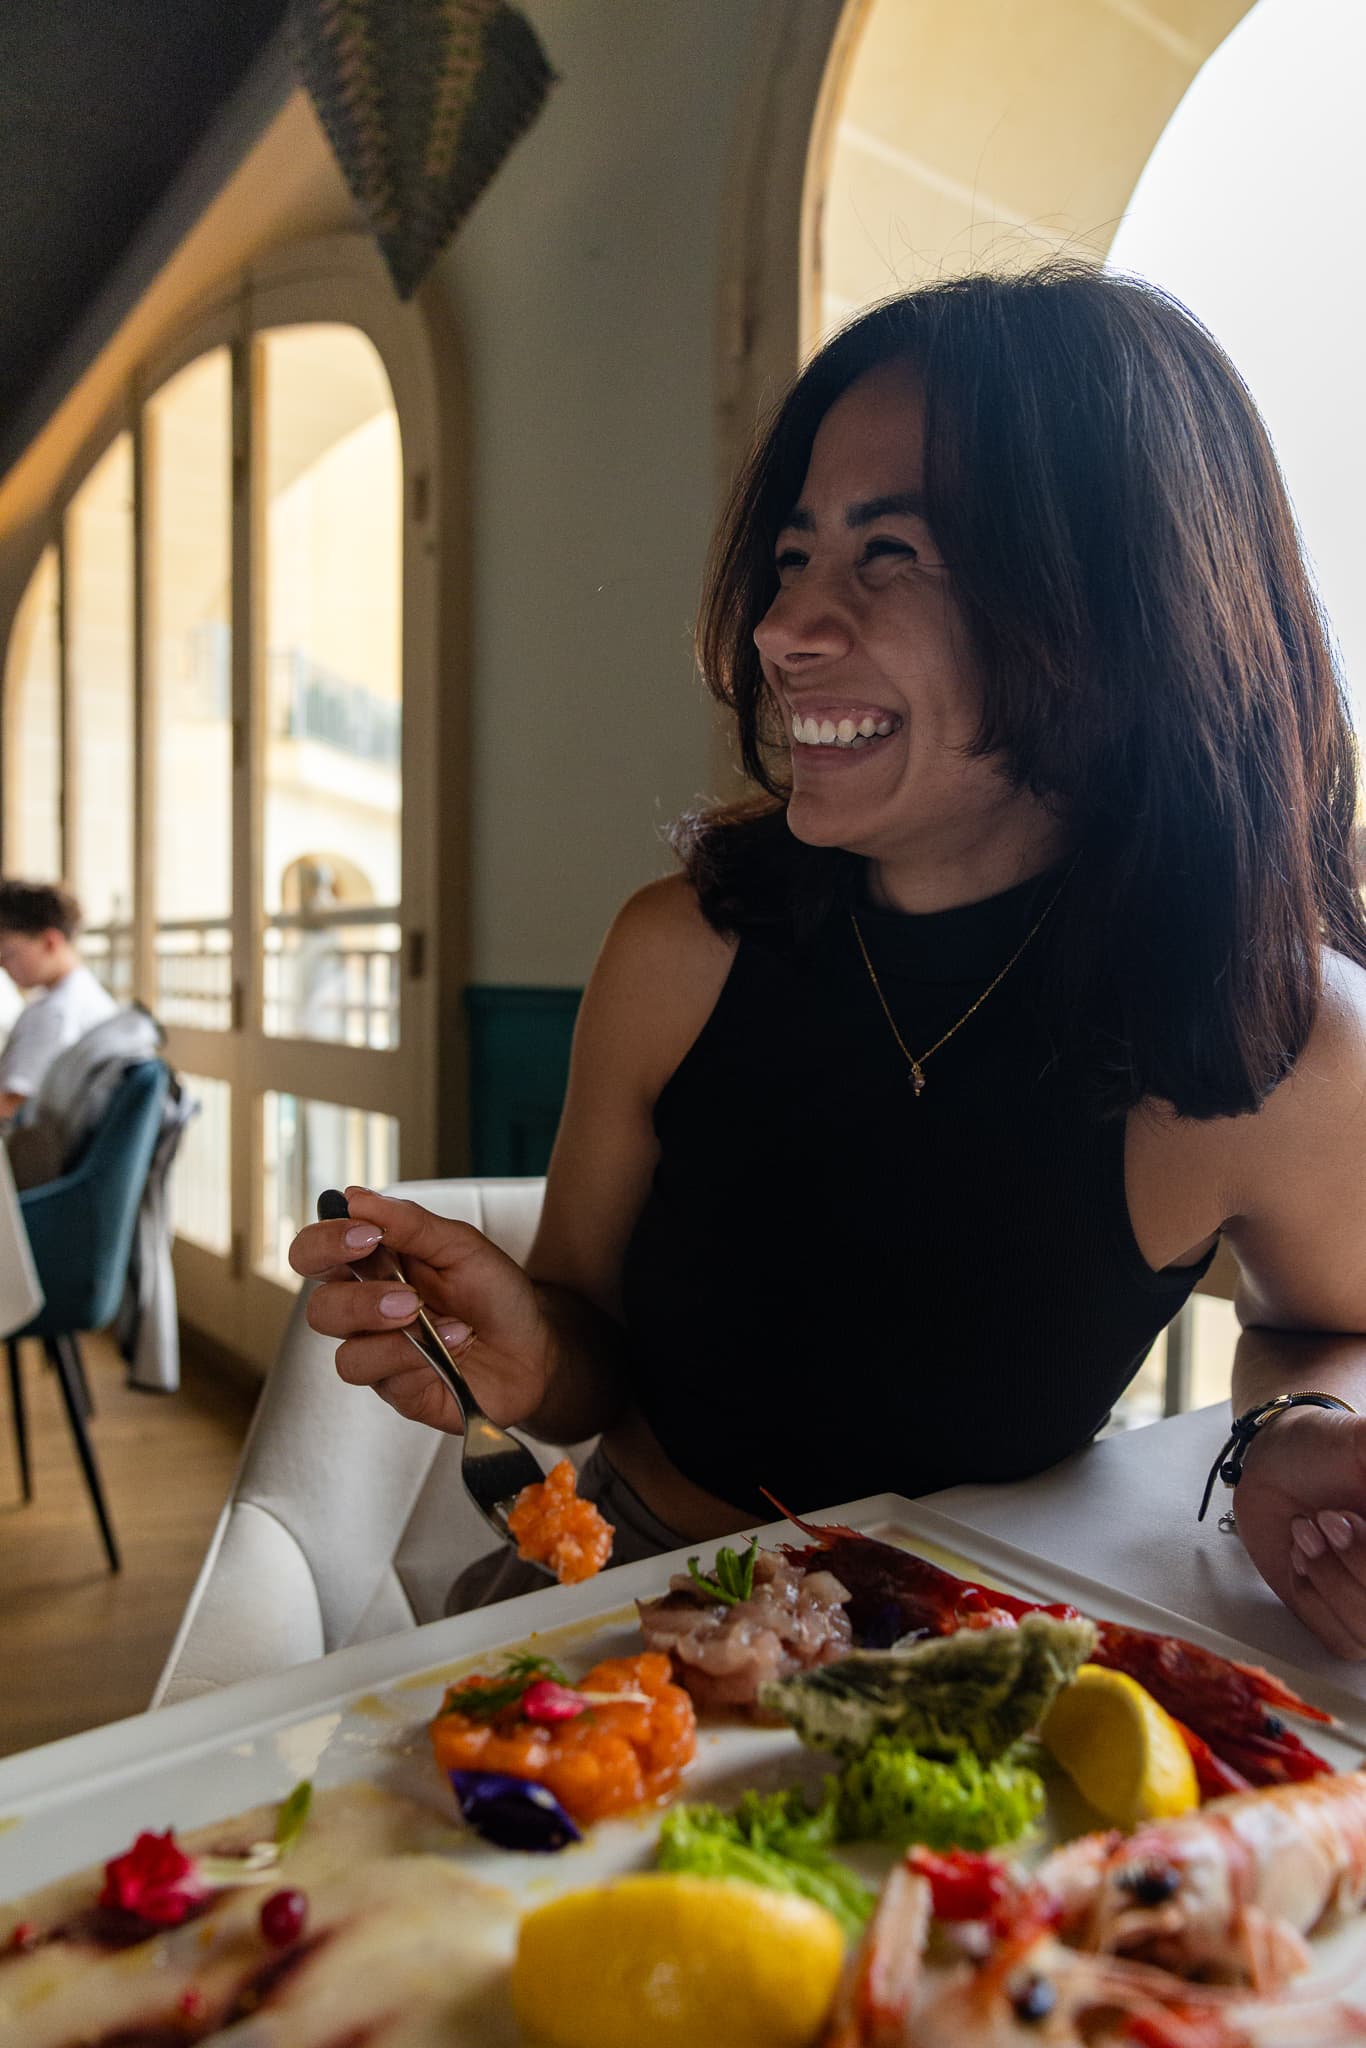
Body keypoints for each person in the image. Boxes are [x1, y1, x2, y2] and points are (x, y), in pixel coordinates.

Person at [291, 264, 1366, 1658]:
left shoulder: (1278, 1039)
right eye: (794, 557)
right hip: (618, 1617)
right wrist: (526, 1347)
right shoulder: (678, 952)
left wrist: (1296, 1430)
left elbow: (1326, 1327)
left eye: (888, 555)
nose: (780, 630)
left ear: (1111, 611)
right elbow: (581, 1360)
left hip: (971, 1656)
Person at [0, 880, 117, 1121]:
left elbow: (12, 1106)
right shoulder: (87, 996)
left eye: (8, 954)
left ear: (50, 942)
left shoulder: (54, 1013)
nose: (3, 965)